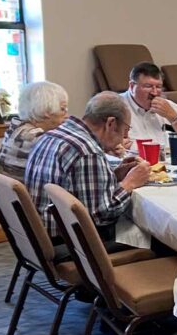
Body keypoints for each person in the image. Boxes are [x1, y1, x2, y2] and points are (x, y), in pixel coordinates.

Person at [26, 92, 150, 242]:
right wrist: (130, 183)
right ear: (111, 123)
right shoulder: (88, 151)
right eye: (125, 130)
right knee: (153, 234)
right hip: (72, 241)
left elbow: (74, 183)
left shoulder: (51, 135)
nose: (125, 138)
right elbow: (101, 215)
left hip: (43, 232)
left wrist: (115, 175)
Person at [120, 62, 177, 153]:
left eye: (158, 87)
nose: (154, 93)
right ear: (132, 86)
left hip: (171, 160)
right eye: (148, 86)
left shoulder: (170, 107)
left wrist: (173, 117)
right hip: (136, 160)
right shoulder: (115, 107)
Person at [0, 81, 69, 180]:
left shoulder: (15, 129)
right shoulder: (38, 139)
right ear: (46, 111)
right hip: (29, 189)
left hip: (9, 189)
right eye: (63, 109)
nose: (67, 116)